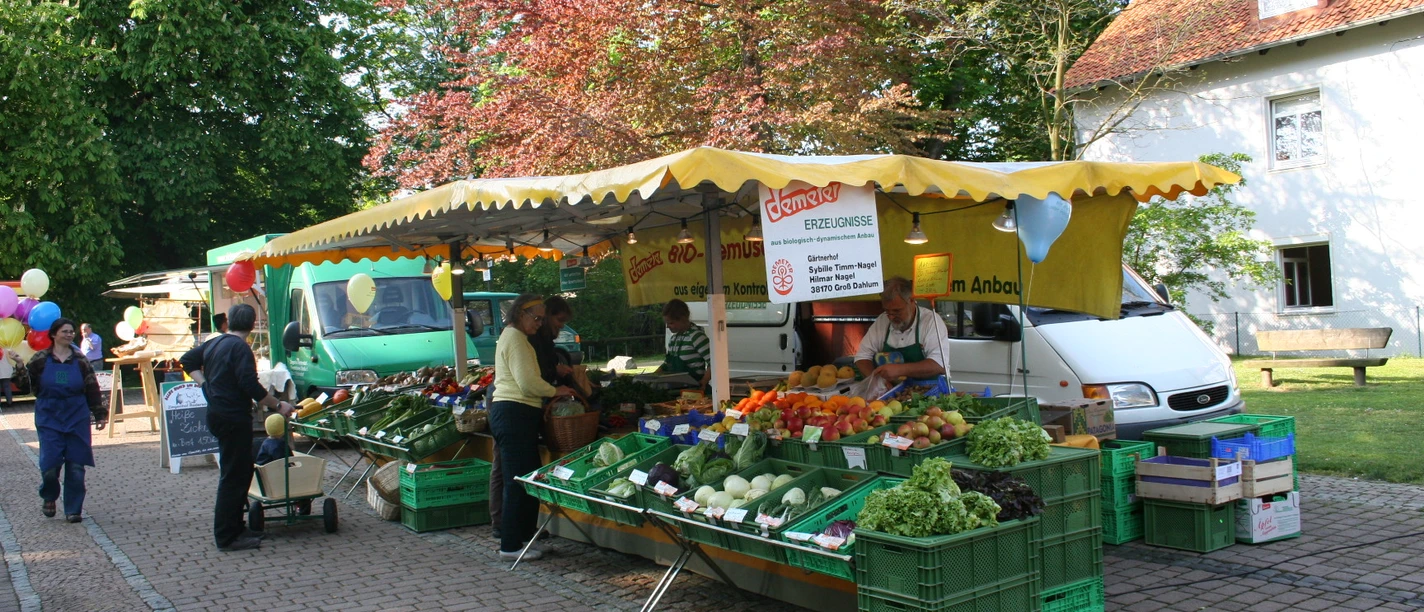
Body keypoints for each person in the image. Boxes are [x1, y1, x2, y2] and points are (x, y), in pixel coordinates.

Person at [180, 304, 295, 552]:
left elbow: (187, 360)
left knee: (240, 473)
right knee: (233, 477)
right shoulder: (240, 348)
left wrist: (205, 385)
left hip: (219, 414)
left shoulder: (214, 342)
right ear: (252, 324)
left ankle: (237, 527)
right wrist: (278, 405)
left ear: (229, 321)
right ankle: (227, 536)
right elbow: (249, 385)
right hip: (232, 417)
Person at [489, 294, 574, 561]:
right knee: (516, 482)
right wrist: (554, 390)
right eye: (536, 318)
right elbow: (527, 383)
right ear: (520, 314)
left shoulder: (516, 337)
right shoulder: (515, 338)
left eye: (541, 318)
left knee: (526, 478)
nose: (539, 323)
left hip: (517, 413)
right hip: (513, 412)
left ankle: (525, 538)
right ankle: (510, 546)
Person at [27, 318, 106, 523]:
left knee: (76, 465)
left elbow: (92, 386)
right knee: (50, 464)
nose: (69, 335)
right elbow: (26, 385)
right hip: (49, 414)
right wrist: (19, 366)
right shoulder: (40, 359)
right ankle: (49, 494)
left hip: (76, 414)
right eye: (65, 331)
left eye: (71, 331)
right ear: (54, 334)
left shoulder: (80, 360)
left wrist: (99, 413)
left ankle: (73, 509)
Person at [853, 277, 950, 381]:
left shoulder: (931, 321)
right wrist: (876, 382)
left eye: (897, 311)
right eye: (887, 311)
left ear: (911, 300)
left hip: (932, 388)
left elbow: (939, 364)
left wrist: (900, 370)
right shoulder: (882, 321)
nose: (891, 317)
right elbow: (862, 357)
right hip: (892, 390)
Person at [255, 414, 310, 514]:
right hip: (277, 479)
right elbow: (284, 462)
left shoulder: (266, 442)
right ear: (283, 429)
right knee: (302, 483)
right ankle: (303, 507)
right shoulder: (280, 445)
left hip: (266, 477)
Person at [659, 299, 711, 392]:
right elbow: (667, 364)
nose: (668, 326)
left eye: (671, 323)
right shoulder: (673, 339)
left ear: (683, 319)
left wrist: (703, 382)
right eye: (666, 323)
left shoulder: (696, 336)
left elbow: (714, 364)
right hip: (675, 389)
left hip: (695, 389)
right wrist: (652, 376)